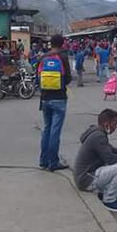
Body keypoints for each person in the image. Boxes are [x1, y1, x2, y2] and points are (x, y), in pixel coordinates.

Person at [73, 108, 117, 212]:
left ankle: (104, 191)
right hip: (86, 180)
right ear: (106, 124)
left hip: (83, 177)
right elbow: (111, 159)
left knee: (113, 164)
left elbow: (111, 149)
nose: (116, 127)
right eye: (114, 124)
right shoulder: (99, 136)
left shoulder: (96, 132)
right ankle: (109, 200)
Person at [37, 34, 72, 171]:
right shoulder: (63, 57)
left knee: (46, 129)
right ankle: (53, 162)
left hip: (45, 98)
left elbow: (37, 78)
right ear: (62, 44)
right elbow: (68, 78)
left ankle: (43, 160)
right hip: (59, 98)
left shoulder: (43, 57)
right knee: (55, 131)